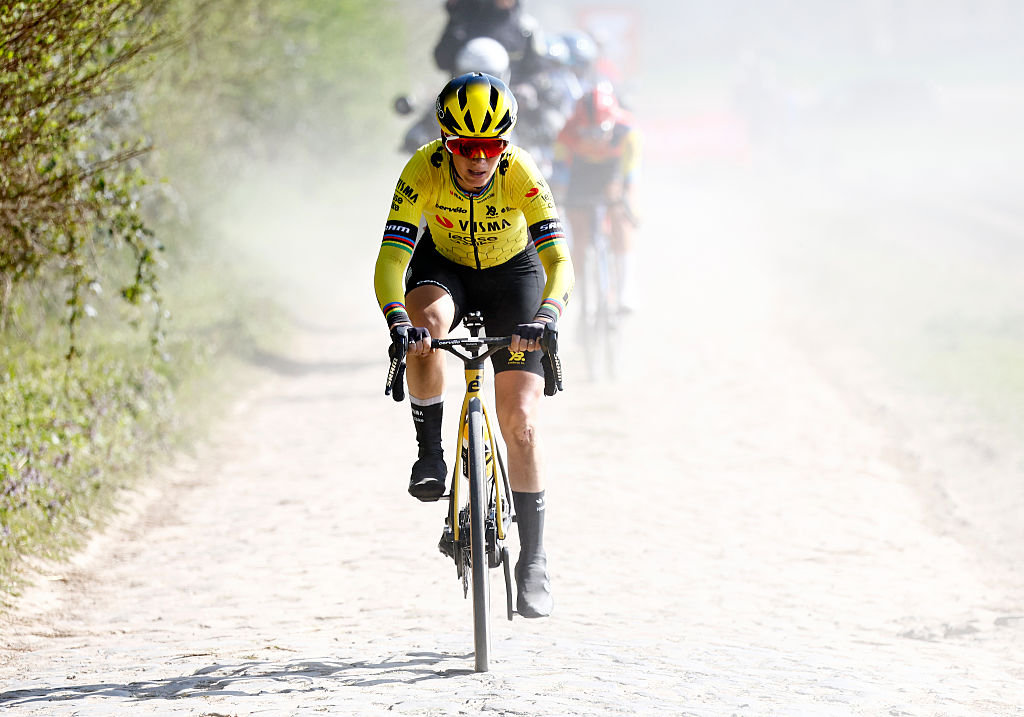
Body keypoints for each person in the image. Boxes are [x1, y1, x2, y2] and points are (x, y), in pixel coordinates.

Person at [373, 73, 574, 618]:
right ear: (446, 141)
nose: (479, 159)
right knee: (424, 325)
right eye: (465, 147)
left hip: (513, 276)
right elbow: (391, 260)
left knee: (520, 421)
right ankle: (430, 453)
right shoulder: (422, 169)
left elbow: (559, 260)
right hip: (446, 269)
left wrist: (548, 315)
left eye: (491, 146)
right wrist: (398, 320)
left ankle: (533, 560)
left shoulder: (521, 172)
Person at [552, 81, 641, 316]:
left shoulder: (627, 130)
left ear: (612, 123)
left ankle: (626, 289)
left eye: (600, 132)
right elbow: (560, 176)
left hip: (611, 170)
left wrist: (629, 206)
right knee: (579, 234)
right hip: (580, 172)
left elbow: (630, 176)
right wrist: (558, 205)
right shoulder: (568, 133)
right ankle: (581, 294)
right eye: (587, 133)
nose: (594, 140)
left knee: (620, 214)